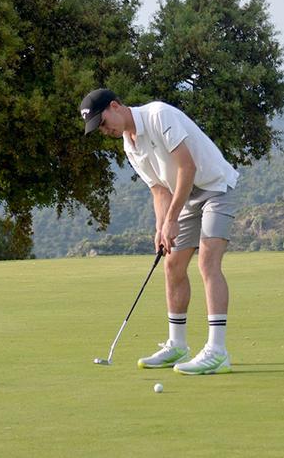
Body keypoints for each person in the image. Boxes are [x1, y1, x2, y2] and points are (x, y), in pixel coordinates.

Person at [80, 88, 240, 375]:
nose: (104, 131)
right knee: (173, 265)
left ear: (115, 106)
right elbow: (158, 188)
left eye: (103, 123)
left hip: (216, 188)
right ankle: (177, 345)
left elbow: (187, 168)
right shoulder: (130, 146)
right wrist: (161, 225)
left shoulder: (158, 115)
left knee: (207, 262)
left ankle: (217, 351)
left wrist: (173, 218)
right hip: (185, 196)